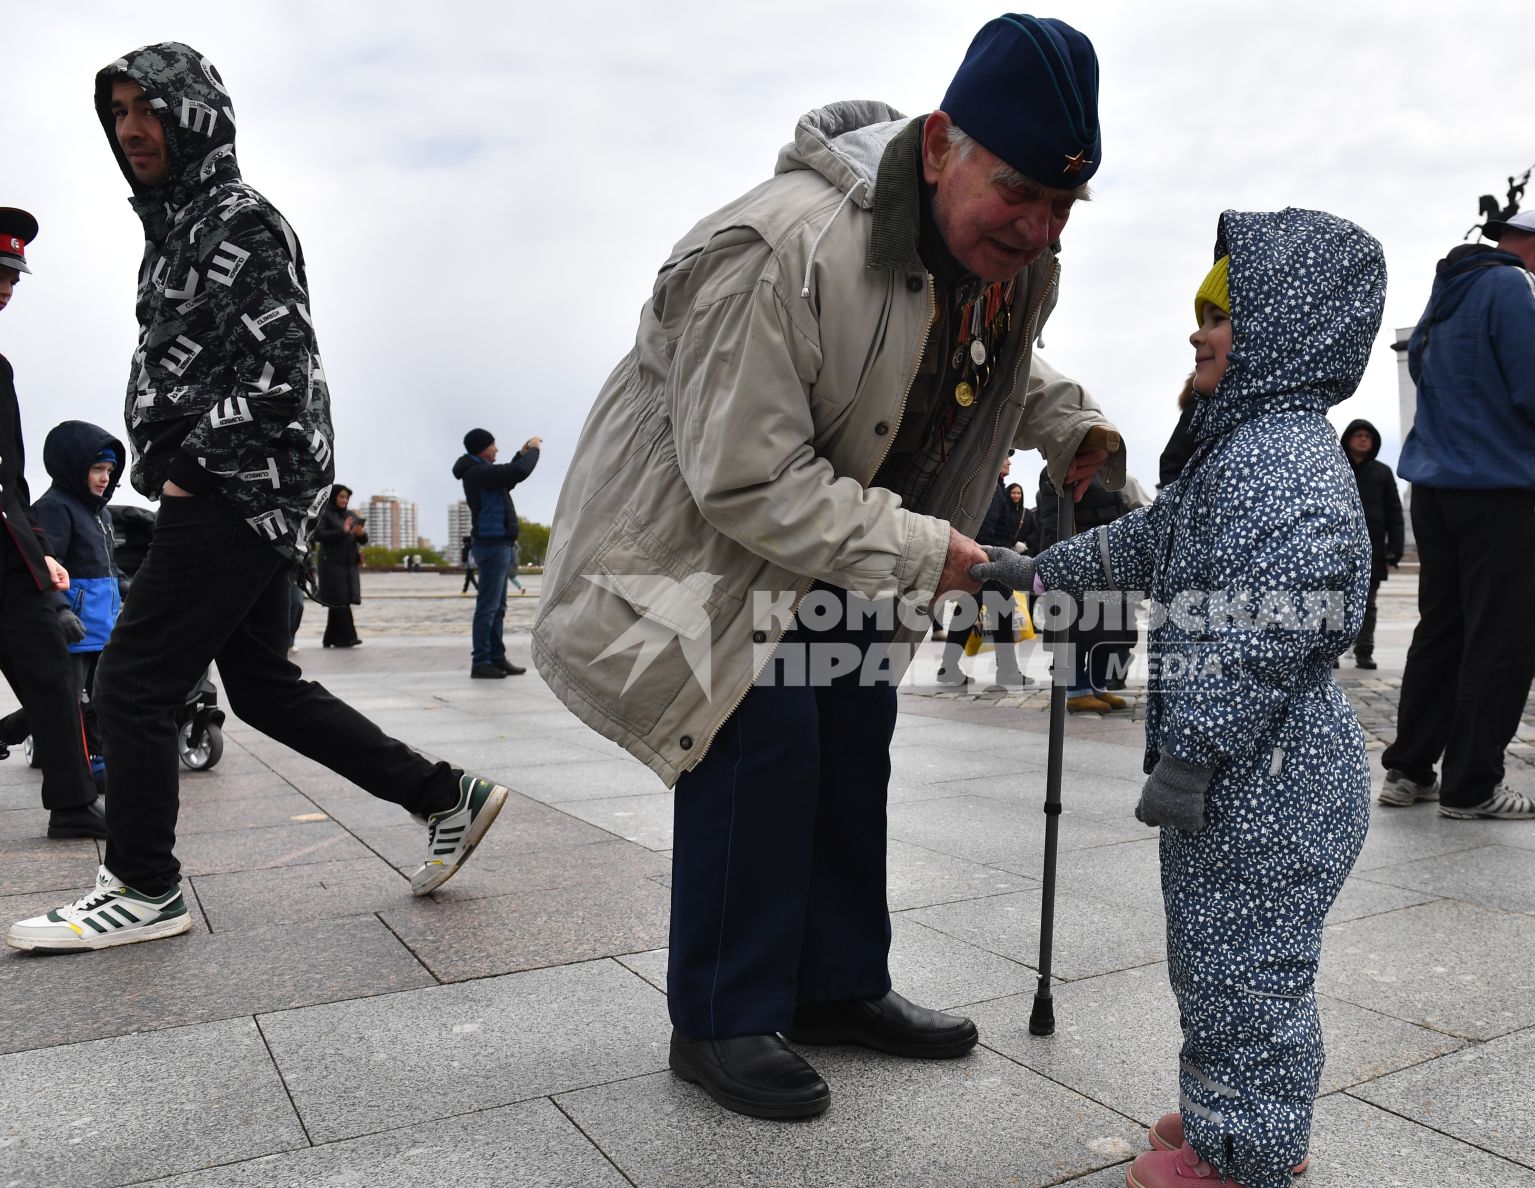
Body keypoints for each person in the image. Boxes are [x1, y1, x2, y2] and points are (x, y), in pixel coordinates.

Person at [535, 14, 1125, 1120]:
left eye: (1063, 207)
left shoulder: (983, 249)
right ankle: (720, 1013)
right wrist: (929, 552)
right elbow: (744, 478)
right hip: (710, 549)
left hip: (845, 541)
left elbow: (971, 351)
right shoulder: (780, 250)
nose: (1041, 228)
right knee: (761, 744)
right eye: (1022, 194)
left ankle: (837, 984)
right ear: (943, 143)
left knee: (853, 741)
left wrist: (1072, 423)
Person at [5, 44, 507, 953]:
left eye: (146, 109)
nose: (130, 129)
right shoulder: (178, 227)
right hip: (232, 491)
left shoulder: (238, 220)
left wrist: (191, 464)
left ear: (191, 112)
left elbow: (284, 376)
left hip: (239, 491)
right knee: (265, 689)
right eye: (117, 113)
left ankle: (144, 887)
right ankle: (445, 796)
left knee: (133, 678)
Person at [974, 210, 1386, 1188]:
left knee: (1248, 969)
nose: (1198, 334)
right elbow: (1151, 542)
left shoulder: (1287, 468)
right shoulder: (1239, 454)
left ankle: (1252, 1159)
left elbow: (1273, 626)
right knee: (1215, 954)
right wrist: (1047, 570)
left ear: (1286, 335)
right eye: (1201, 314)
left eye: (1222, 317)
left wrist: (1194, 752)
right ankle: (1229, 1113)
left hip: (1270, 777)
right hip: (1250, 772)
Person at [1378, 208, 1535, 818]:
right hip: (1500, 484)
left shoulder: (1448, 289)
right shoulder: (1517, 285)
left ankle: (1409, 770)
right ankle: (1473, 785)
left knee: (1442, 630)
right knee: (1502, 638)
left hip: (1435, 485)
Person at [0, 207, 108, 838]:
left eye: (13, 276)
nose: (8, 288)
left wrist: (39, 550)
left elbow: (12, 480)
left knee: (53, 672)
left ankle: (71, 805)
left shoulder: (2, 370)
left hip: (10, 558)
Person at [1033, 473, 1133, 711]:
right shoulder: (1060, 469)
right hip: (1077, 562)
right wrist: (1055, 565)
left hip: (1108, 562)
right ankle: (1077, 691)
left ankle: (1098, 686)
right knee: (1074, 633)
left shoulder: (1104, 474)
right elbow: (1053, 519)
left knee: (1108, 632)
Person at [935, 454, 1028, 690]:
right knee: (998, 612)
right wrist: (991, 559)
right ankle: (1005, 670)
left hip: (983, 561)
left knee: (971, 612)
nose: (1009, 462)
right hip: (988, 561)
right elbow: (985, 529)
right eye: (1005, 457)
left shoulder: (994, 487)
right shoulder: (992, 490)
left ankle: (950, 667)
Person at [454, 428, 539, 678]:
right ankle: (481, 661)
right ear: (481, 447)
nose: (496, 449)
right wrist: (534, 450)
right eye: (493, 445)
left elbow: (508, 476)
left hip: (499, 544)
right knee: (488, 607)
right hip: (491, 546)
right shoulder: (478, 472)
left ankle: (496, 657)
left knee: (497, 607)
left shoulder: (482, 472)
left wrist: (520, 453)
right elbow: (518, 472)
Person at [1339, 418, 1403, 670]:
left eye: (1368, 435)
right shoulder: (1335, 469)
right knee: (1334, 602)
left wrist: (1395, 548)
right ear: (1348, 439)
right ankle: (1329, 652)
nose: (1363, 439)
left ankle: (1364, 650)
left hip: (1372, 551)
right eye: (1358, 435)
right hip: (1338, 549)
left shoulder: (1383, 472)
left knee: (1368, 605)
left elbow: (1394, 513)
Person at [315, 484, 366, 648]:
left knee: (340, 601)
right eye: (341, 497)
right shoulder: (325, 514)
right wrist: (342, 531)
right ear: (334, 497)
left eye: (347, 497)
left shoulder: (350, 515)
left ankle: (330, 638)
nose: (344, 500)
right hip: (331, 565)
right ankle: (348, 637)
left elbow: (363, 539)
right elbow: (319, 535)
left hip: (349, 564)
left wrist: (361, 534)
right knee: (340, 600)